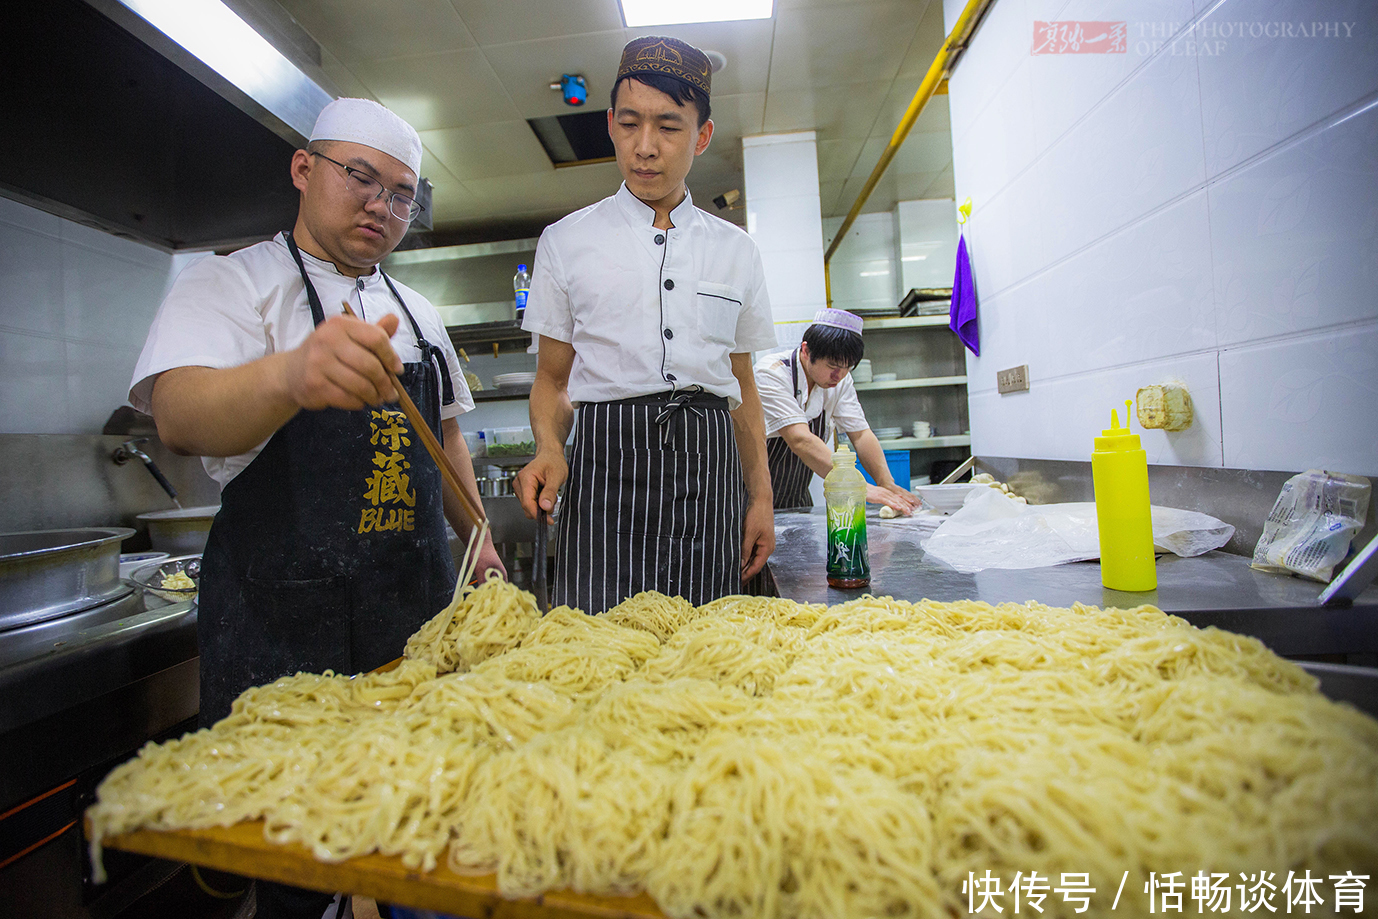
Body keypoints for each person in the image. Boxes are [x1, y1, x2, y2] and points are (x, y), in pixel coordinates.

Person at [130, 97, 503, 719]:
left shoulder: (418, 311)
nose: (380, 206)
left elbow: (445, 438)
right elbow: (177, 416)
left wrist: (479, 541)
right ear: (304, 169)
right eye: (359, 177)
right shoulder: (231, 283)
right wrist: (290, 377)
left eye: (402, 195)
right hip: (281, 629)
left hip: (417, 622)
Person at [515, 36, 778, 615]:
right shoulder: (565, 242)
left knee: (710, 649)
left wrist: (760, 494)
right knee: (600, 649)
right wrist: (549, 448)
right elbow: (554, 381)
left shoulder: (737, 251)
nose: (645, 147)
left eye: (668, 126)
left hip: (710, 472)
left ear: (702, 136)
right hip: (606, 469)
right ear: (610, 123)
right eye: (629, 124)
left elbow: (744, 387)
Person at [755, 308, 918, 513]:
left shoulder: (840, 379)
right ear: (806, 351)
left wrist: (887, 484)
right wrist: (858, 486)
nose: (838, 376)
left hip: (796, 498)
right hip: (753, 499)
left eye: (847, 367)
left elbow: (860, 434)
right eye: (832, 365)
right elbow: (800, 439)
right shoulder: (772, 374)